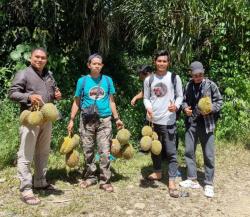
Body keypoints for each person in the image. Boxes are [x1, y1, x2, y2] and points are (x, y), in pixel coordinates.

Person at [8, 48, 62, 205]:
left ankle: (40, 181)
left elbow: (51, 94)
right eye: (37, 57)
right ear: (30, 58)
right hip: (31, 118)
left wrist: (56, 95)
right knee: (26, 154)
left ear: (46, 60)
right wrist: (29, 97)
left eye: (43, 57)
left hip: (46, 119)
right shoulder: (23, 73)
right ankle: (26, 188)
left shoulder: (49, 75)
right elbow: (12, 93)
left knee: (43, 152)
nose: (40, 60)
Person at [67, 53, 123, 193]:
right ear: (89, 65)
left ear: (102, 66)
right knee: (88, 150)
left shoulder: (107, 80)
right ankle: (90, 177)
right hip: (87, 120)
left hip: (104, 119)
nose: (97, 66)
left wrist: (117, 118)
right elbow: (77, 102)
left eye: (99, 64)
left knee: (105, 150)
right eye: (94, 63)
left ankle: (105, 180)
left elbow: (111, 101)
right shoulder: (83, 81)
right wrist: (72, 119)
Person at [179, 61, 223, 198]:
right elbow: (184, 100)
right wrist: (185, 108)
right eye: (195, 74)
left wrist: (210, 109)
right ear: (191, 74)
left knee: (208, 154)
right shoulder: (188, 85)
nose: (198, 76)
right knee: (189, 151)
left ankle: (208, 183)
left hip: (206, 123)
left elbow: (219, 102)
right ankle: (192, 178)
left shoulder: (211, 85)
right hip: (191, 123)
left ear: (203, 73)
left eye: (200, 74)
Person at [143, 50, 183, 198]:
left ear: (168, 63)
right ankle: (158, 172)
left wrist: (176, 106)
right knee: (155, 150)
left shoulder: (174, 77)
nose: (161, 63)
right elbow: (146, 98)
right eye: (159, 61)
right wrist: (148, 107)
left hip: (169, 121)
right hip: (153, 122)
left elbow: (180, 96)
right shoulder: (149, 79)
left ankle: (171, 181)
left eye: (164, 61)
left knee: (171, 152)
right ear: (155, 62)